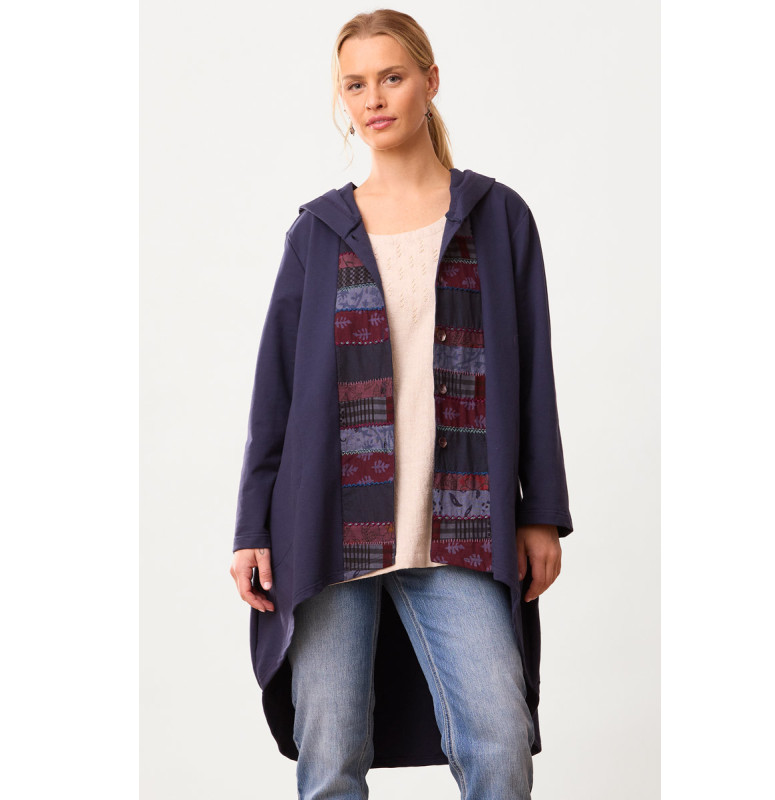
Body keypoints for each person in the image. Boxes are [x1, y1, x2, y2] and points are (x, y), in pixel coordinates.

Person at [229, 9, 574, 799]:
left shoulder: (497, 218)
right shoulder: (319, 231)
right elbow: (274, 391)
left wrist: (541, 513)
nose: (374, 99)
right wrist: (252, 527)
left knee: (499, 742)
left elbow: (535, 376)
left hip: (459, 524)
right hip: (327, 525)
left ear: (430, 81)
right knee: (330, 757)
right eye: (355, 85)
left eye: (392, 77)